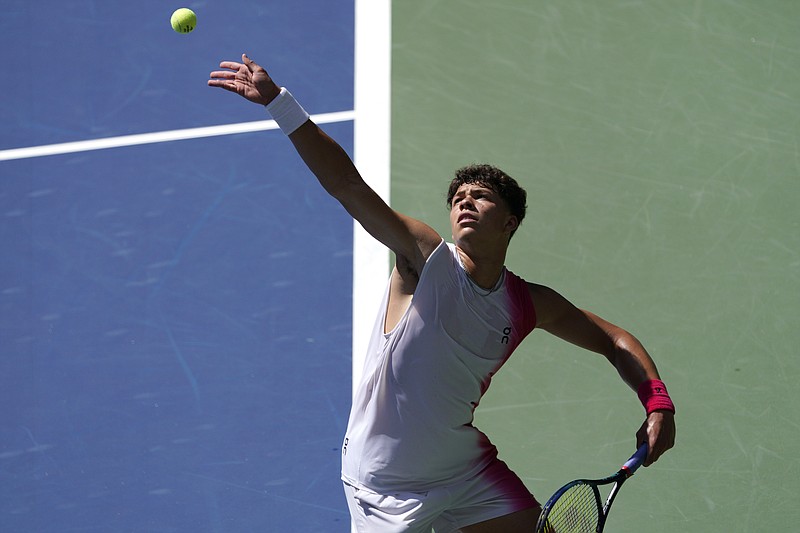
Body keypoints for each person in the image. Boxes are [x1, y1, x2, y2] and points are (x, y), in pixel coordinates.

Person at [208, 54, 676, 532]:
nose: (464, 202)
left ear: (510, 222)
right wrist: (279, 103)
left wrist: (657, 401)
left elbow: (613, 340)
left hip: (463, 470)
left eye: (479, 197)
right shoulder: (426, 259)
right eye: (457, 199)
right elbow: (347, 186)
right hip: (382, 483)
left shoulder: (528, 303)